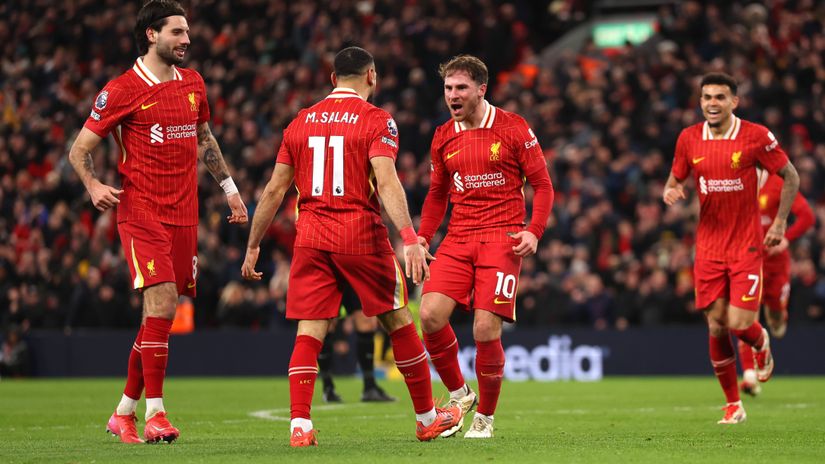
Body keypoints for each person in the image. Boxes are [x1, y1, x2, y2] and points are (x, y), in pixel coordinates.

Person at [241, 46, 461, 447]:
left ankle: (300, 426)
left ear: (332, 79)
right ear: (372, 76)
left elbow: (274, 189)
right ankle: (428, 418)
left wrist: (253, 244)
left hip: (310, 237)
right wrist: (409, 239)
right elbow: (388, 180)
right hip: (359, 233)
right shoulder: (377, 120)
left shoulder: (300, 122)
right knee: (397, 319)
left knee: (310, 330)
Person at [67, 0, 248, 444]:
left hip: (184, 215)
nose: (187, 40)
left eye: (187, 32)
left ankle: (122, 413)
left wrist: (230, 189)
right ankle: (156, 413)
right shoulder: (123, 89)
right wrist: (93, 186)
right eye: (177, 32)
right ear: (152, 34)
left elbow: (205, 138)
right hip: (141, 211)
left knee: (158, 316)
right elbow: (79, 149)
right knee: (163, 302)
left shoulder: (193, 83)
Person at [417, 55, 554, 439]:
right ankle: (461, 395)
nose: (452, 96)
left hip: (502, 238)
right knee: (429, 315)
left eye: (461, 88)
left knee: (483, 328)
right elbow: (436, 194)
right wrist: (423, 237)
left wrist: (534, 230)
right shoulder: (444, 134)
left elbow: (542, 185)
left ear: (481, 89)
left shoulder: (513, 127)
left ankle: (485, 418)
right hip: (458, 237)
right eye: (448, 88)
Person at [663, 72, 799, 424]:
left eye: (720, 97)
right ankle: (733, 405)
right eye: (707, 97)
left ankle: (761, 342)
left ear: (734, 101)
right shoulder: (689, 138)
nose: (712, 103)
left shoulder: (755, 136)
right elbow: (675, 177)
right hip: (707, 248)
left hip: (745, 246)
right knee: (716, 326)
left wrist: (781, 223)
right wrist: (671, 190)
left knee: (740, 324)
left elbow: (791, 176)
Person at [738, 171, 813, 396]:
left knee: (776, 321)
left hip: (776, 266)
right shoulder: (738, 180)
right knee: (745, 315)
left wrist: (786, 238)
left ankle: (779, 315)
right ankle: (749, 376)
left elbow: (807, 216)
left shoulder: (779, 182)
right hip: (749, 259)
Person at [318, 283, 396, 403]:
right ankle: (328, 387)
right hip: (331, 272)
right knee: (326, 324)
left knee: (367, 321)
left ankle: (369, 387)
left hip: (354, 271)